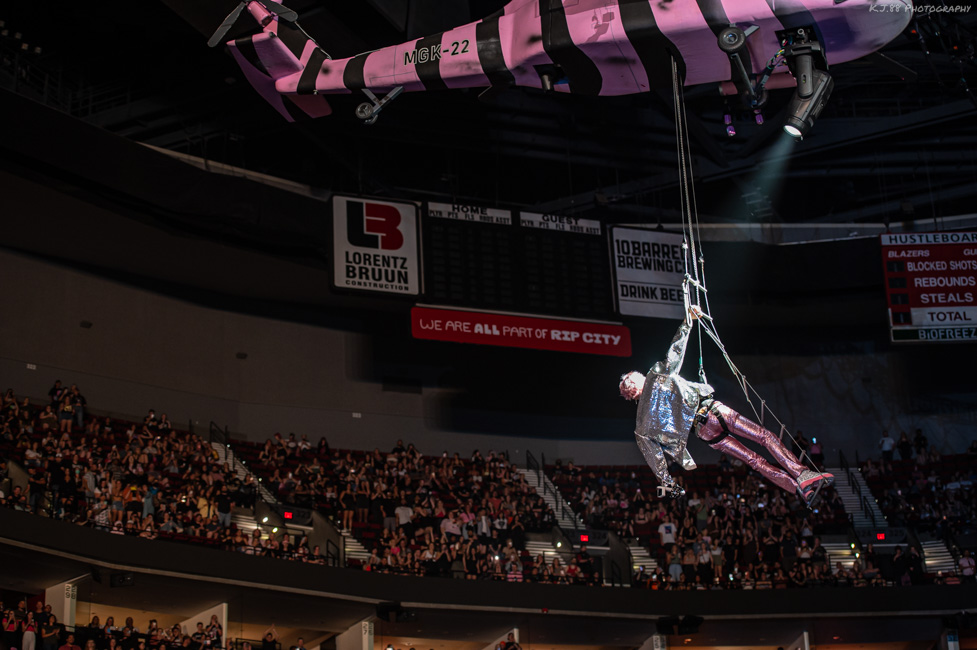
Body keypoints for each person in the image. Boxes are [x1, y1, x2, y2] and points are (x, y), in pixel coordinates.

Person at [619, 281, 832, 503]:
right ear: (639, 380)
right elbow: (675, 352)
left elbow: (655, 459)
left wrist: (669, 483)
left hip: (706, 435)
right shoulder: (655, 376)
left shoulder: (641, 425)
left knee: (754, 461)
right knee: (764, 436)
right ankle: (802, 475)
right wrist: (688, 322)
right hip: (713, 412)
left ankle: (798, 490)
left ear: (631, 397)